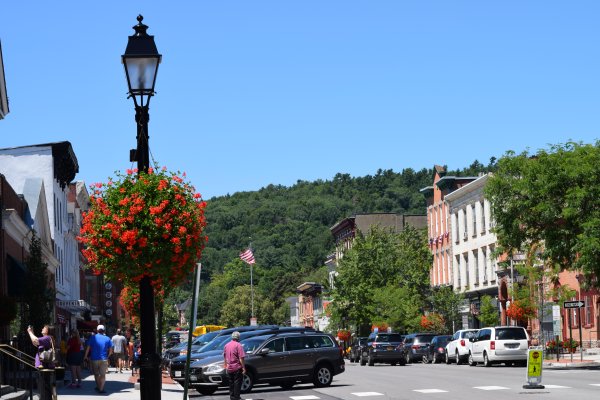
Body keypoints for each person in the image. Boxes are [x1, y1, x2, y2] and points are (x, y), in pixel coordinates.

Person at [84, 325, 113, 394]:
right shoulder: (108, 338)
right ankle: (101, 389)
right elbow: (111, 350)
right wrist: (107, 357)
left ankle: (98, 386)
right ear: (104, 331)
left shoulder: (92, 337)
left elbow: (88, 348)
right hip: (104, 359)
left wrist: (85, 356)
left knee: (96, 374)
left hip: (94, 359)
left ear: (97, 330)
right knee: (103, 375)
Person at [223, 331, 246, 400]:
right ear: (238, 337)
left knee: (231, 384)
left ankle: (232, 397)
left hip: (229, 368)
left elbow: (225, 357)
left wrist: (225, 365)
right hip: (237, 367)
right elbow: (241, 358)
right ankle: (236, 398)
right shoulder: (238, 345)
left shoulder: (226, 345)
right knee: (237, 384)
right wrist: (244, 368)